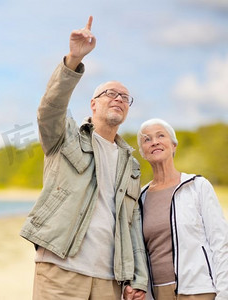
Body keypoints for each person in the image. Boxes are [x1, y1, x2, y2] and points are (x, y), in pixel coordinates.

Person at [19, 16, 148, 300]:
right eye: (110, 94)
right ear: (93, 103)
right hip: (61, 270)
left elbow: (132, 223)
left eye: (125, 97)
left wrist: (136, 277)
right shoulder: (65, 138)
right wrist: (73, 60)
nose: (119, 99)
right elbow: (49, 109)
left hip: (109, 280)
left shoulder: (132, 165)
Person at [137, 118, 228, 299]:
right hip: (157, 293)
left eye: (160, 135)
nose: (154, 141)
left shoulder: (197, 186)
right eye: (147, 139)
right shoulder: (140, 197)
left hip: (198, 290)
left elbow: (221, 242)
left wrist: (224, 293)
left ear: (174, 145)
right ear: (143, 153)